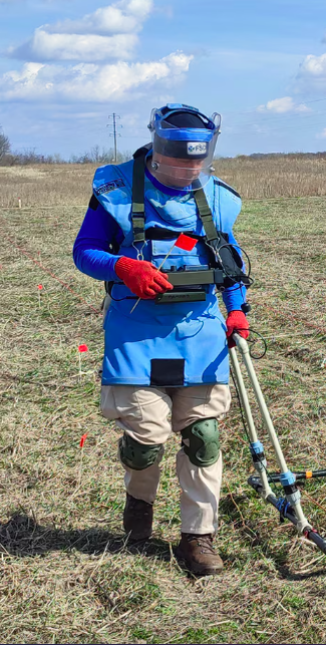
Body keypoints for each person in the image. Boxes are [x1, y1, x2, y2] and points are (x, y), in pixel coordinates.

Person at [73, 104, 250, 574]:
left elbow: (229, 265)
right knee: (147, 438)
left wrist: (236, 313)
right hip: (136, 333)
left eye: (198, 158)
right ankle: (138, 503)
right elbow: (84, 252)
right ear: (157, 147)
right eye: (178, 157)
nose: (188, 167)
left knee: (203, 436)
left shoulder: (217, 199)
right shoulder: (113, 190)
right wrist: (122, 266)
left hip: (199, 336)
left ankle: (199, 538)